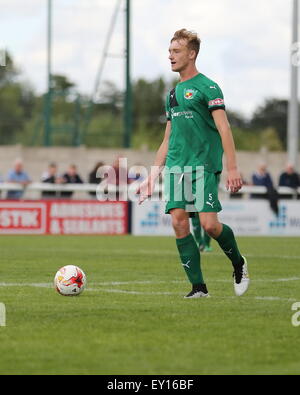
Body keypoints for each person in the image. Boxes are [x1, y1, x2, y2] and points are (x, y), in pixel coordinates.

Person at [137, 28, 249, 298]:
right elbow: (167, 138)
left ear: (192, 53)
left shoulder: (208, 87)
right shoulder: (172, 94)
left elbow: (224, 129)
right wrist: (152, 176)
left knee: (210, 226)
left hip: (203, 166)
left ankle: (238, 263)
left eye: (176, 51)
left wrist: (232, 168)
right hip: (177, 166)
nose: (170, 56)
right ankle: (198, 288)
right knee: (178, 222)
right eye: (169, 51)